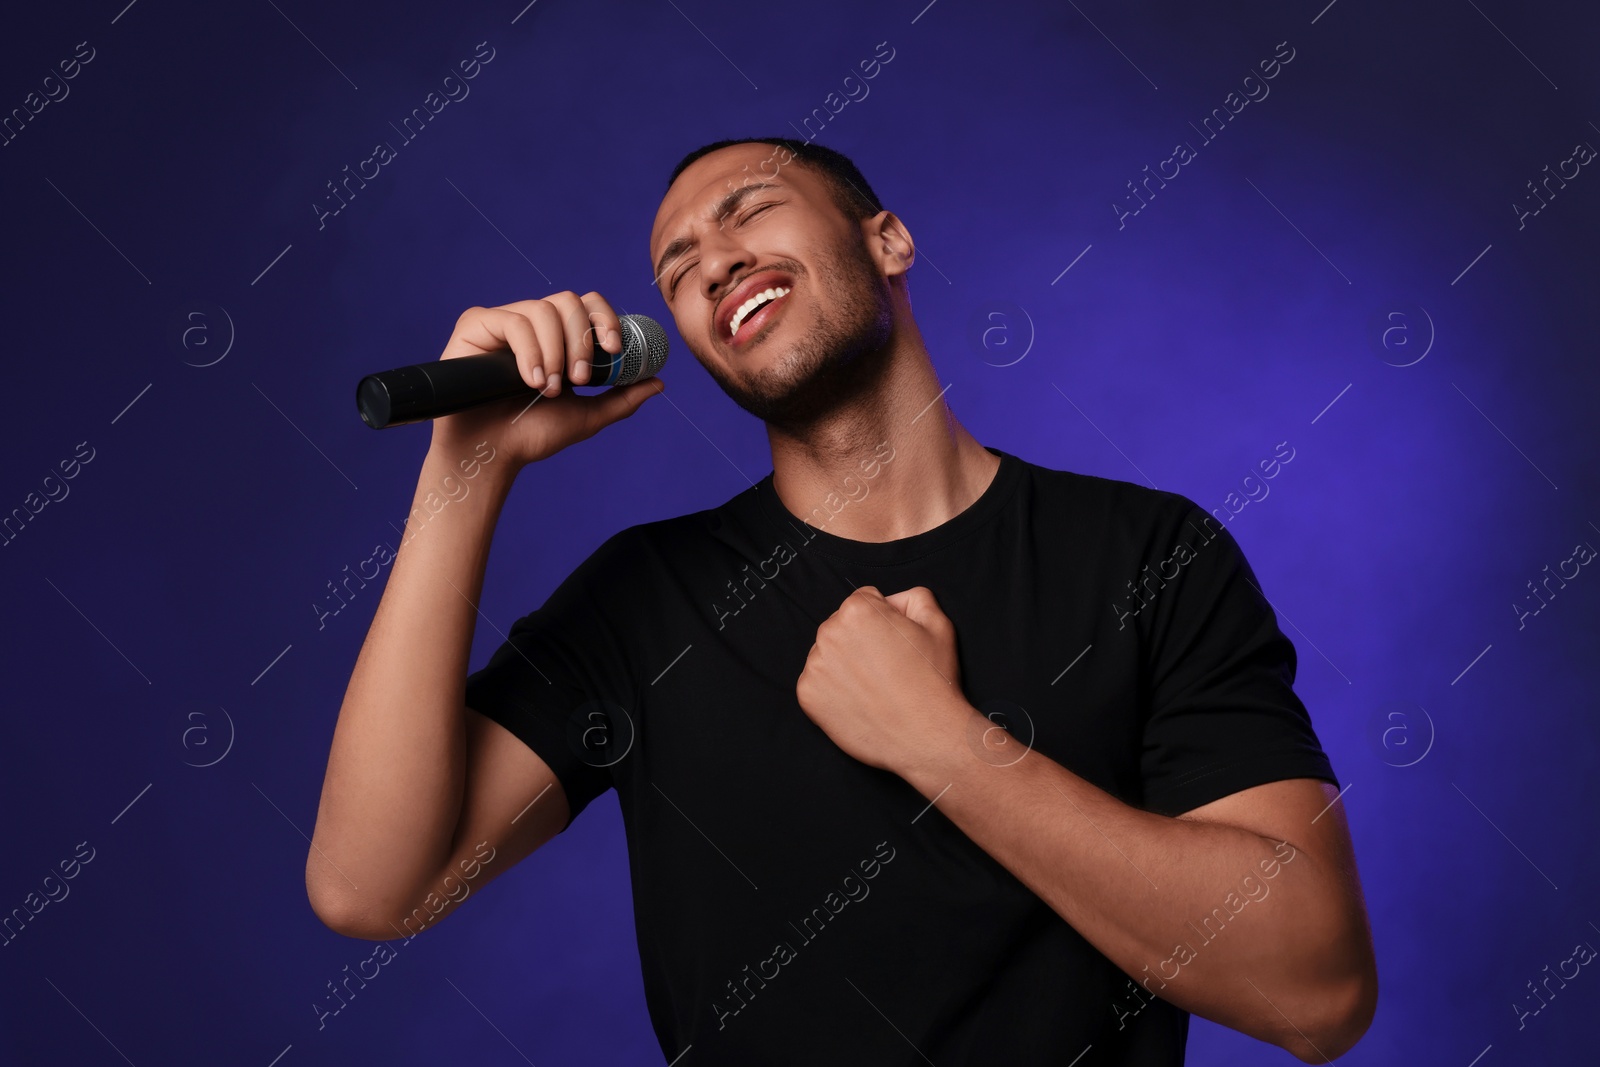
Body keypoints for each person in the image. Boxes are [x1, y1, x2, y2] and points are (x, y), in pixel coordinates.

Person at [306, 136, 1377, 1065]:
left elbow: (1317, 993)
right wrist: (465, 473)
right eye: (676, 268)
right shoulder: (648, 599)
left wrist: (942, 742)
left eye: (748, 211)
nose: (713, 259)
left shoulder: (1149, 553)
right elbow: (372, 886)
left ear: (887, 240)